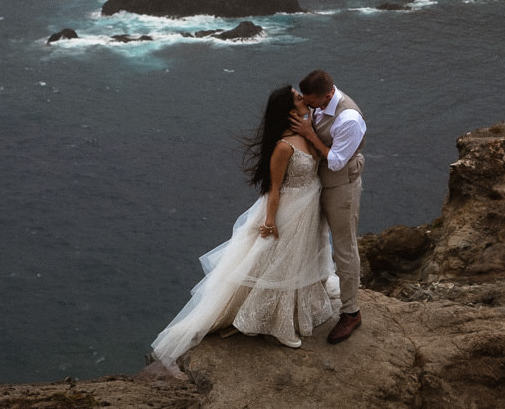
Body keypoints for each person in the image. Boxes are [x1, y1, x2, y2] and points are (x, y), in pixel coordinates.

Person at [149, 86, 336, 370]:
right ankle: (278, 325)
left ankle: (297, 313)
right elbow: (274, 189)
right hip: (290, 211)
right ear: (289, 111)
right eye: (299, 98)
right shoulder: (284, 146)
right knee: (279, 263)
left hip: (310, 209)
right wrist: (270, 221)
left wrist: (310, 132)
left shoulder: (308, 134)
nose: (305, 100)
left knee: (299, 260)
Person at [290, 69, 366, 344]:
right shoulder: (319, 101)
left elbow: (336, 161)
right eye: (306, 101)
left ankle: (351, 312)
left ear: (328, 94)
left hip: (341, 186)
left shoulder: (349, 118)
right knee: (315, 240)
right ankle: (313, 295)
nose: (309, 107)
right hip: (316, 184)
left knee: (344, 248)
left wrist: (310, 134)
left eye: (312, 103)